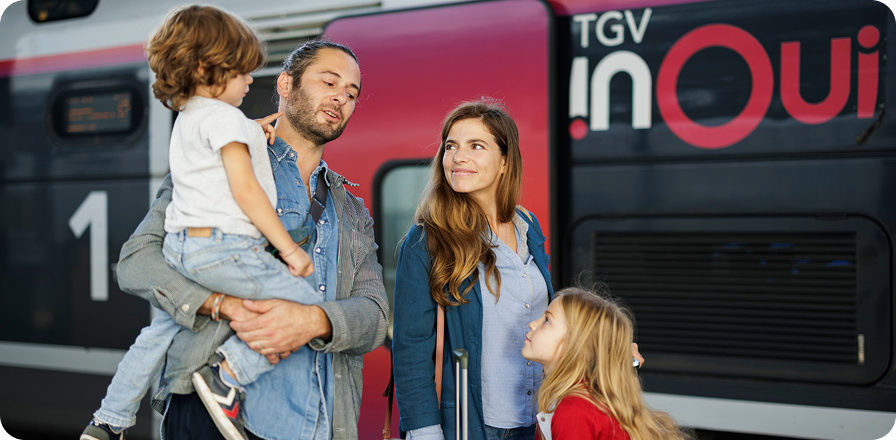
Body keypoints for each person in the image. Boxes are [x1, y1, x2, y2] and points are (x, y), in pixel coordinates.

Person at [105, 36, 387, 440]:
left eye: (352, 92)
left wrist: (314, 320)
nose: (341, 97)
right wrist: (224, 305)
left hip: (321, 423)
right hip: (216, 420)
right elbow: (138, 261)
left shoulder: (352, 210)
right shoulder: (217, 162)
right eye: (329, 82)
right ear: (286, 85)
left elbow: (375, 315)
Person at [82, 6, 321, 440]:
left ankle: (109, 420)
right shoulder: (226, 120)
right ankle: (226, 376)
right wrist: (287, 249)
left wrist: (250, 131)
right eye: (242, 71)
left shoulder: (192, 118)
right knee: (306, 308)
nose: (251, 80)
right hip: (225, 248)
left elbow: (215, 153)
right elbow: (245, 190)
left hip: (182, 249)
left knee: (156, 334)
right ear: (205, 68)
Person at [392, 100, 553, 440]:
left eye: (475, 146)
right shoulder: (426, 239)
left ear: (505, 162)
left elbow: (548, 318)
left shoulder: (528, 227)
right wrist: (424, 432)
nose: (457, 157)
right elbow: (410, 347)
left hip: (532, 420)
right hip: (469, 426)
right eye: (451, 146)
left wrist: (606, 345)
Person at [523, 286, 691, 440]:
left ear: (577, 344)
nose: (532, 324)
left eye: (547, 320)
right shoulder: (578, 399)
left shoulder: (574, 412)